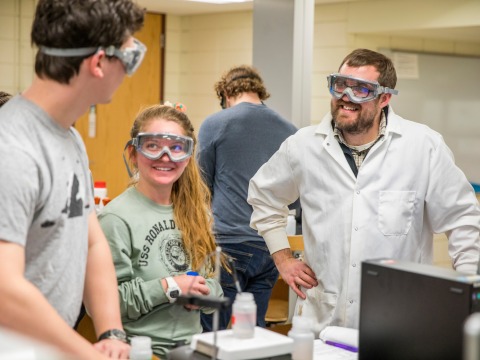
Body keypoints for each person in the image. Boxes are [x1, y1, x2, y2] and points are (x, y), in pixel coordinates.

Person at [247, 48, 480, 332]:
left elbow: (464, 221)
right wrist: (282, 258)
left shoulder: (423, 146)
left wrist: (469, 301)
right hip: (321, 321)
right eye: (340, 84)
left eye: (361, 89)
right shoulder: (303, 146)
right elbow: (263, 196)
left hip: (399, 322)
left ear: (384, 98)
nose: (346, 96)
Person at [0, 1, 145, 359]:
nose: (127, 73)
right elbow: (4, 288)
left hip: (49, 348)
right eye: (127, 59)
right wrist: (84, 353)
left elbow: (91, 242)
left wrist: (111, 332)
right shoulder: (13, 149)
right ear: (98, 63)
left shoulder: (69, 137)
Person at [98, 103, 223, 359]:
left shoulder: (196, 213)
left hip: (194, 349)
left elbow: (214, 284)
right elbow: (105, 302)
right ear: (133, 154)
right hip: (141, 352)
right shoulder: (115, 218)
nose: (165, 157)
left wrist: (203, 293)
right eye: (153, 145)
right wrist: (170, 287)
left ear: (188, 157)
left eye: (176, 147)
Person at [197, 65, 298, 331]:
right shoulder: (290, 130)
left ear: (226, 95)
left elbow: (201, 186)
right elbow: (296, 197)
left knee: (213, 330)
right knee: (254, 331)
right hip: (271, 246)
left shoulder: (216, 123)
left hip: (229, 243)